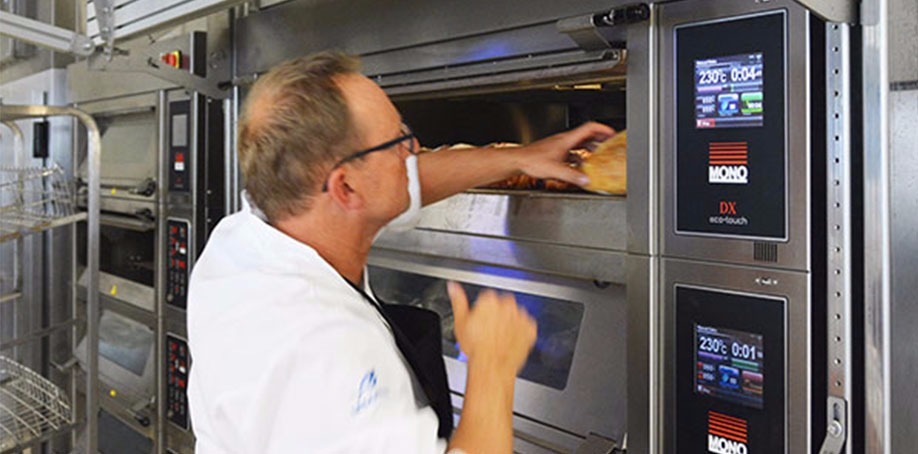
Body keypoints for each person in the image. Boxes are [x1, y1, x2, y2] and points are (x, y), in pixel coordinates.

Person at [187, 51, 615, 453]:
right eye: (399, 141)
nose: (414, 151)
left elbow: (399, 182)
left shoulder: (249, 233)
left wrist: (521, 159)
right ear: (345, 187)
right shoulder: (320, 350)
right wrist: (492, 363)